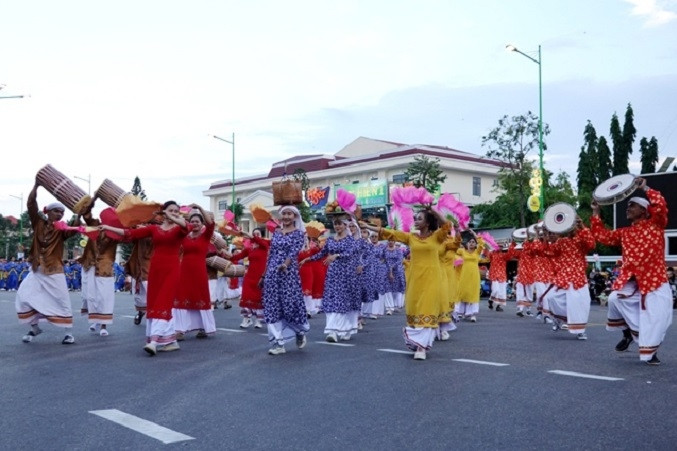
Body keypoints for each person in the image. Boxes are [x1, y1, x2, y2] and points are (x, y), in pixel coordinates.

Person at [590, 177, 672, 365]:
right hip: (631, 280)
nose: (628, 208)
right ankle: (629, 334)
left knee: (657, 318)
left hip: (654, 280)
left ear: (643, 211)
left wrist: (646, 188)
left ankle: (650, 350)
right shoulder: (625, 232)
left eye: (632, 205)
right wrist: (596, 212)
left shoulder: (656, 225)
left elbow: (660, 206)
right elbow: (603, 236)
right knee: (613, 299)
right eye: (627, 205)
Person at [101, 200, 190, 355]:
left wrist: (170, 215)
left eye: (176, 211)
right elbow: (130, 233)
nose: (174, 213)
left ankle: (154, 342)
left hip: (172, 270)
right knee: (155, 303)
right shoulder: (154, 229)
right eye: (171, 210)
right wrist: (107, 227)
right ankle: (171, 341)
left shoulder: (179, 228)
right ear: (163, 212)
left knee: (163, 302)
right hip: (155, 270)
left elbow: (185, 226)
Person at [360, 208, 450, 361]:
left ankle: (421, 347)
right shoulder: (411, 237)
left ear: (428, 223)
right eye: (415, 218)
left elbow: (447, 225)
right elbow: (389, 233)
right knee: (414, 309)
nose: (416, 220)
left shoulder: (436, 237)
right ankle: (417, 341)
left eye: (420, 218)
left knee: (427, 309)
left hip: (432, 280)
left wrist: (432, 211)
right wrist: (367, 226)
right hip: (415, 279)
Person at [15, 182, 79, 344]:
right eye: (56, 211)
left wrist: (79, 213)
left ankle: (68, 333)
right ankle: (35, 328)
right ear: (48, 212)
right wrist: (36, 186)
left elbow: (75, 227)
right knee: (25, 297)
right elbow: (31, 204)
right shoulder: (38, 223)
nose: (59, 214)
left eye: (62, 212)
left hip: (54, 270)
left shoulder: (62, 229)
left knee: (62, 300)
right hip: (36, 269)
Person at [261, 205, 309, 355]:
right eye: (284, 214)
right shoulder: (276, 233)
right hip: (272, 275)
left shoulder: (299, 234)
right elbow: (270, 255)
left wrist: (285, 265)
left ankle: (299, 332)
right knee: (271, 307)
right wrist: (263, 275)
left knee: (290, 307)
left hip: (288, 275)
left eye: (290, 214)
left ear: (295, 217)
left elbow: (293, 252)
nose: (287, 217)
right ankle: (278, 343)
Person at [306, 215, 359, 342]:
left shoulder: (351, 240)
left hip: (347, 275)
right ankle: (332, 330)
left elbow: (350, 253)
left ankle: (346, 328)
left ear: (346, 225)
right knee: (332, 301)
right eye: (335, 224)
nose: (337, 226)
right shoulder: (330, 240)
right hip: (333, 275)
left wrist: (337, 255)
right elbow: (322, 253)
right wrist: (308, 259)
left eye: (340, 223)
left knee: (345, 303)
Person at [543, 217, 595, 340]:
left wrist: (582, 226)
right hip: (563, 277)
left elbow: (592, 244)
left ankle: (580, 330)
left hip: (578, 277)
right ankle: (559, 319)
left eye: (574, 226)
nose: (572, 228)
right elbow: (549, 252)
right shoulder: (562, 241)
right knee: (551, 297)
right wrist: (546, 236)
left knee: (578, 303)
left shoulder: (581, 239)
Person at [173, 206, 216, 340]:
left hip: (199, 272)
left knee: (200, 297)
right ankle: (180, 330)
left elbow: (211, 224)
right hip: (184, 271)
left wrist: (199, 209)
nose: (195, 223)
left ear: (202, 224)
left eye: (198, 221)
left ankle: (203, 327)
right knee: (181, 298)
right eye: (193, 221)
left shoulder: (205, 236)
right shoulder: (184, 236)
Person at [230, 227, 269, 329]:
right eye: (254, 234)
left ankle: (258, 320)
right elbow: (237, 257)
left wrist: (250, 236)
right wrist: (224, 254)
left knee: (258, 298)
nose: (255, 236)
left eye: (258, 234)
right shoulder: (249, 248)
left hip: (261, 277)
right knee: (246, 297)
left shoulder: (265, 245)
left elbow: (260, 242)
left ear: (261, 236)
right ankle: (246, 319)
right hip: (249, 276)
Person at [454, 230, 485, 323]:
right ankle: (460, 312)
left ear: (475, 244)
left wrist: (473, 234)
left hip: (474, 276)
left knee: (473, 293)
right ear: (466, 244)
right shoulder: (462, 251)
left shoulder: (477, 252)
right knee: (463, 292)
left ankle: (472, 314)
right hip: (464, 275)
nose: (471, 243)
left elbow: (482, 243)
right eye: (470, 242)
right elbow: (453, 249)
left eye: (473, 242)